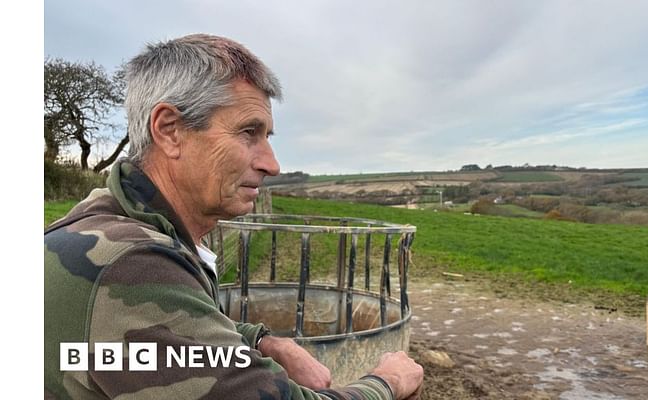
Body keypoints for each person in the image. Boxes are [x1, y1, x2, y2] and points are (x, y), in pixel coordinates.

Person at [44, 33, 423, 400]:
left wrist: (261, 341)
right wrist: (387, 382)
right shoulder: (131, 264)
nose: (271, 164)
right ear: (170, 131)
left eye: (268, 136)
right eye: (248, 132)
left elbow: (165, 335)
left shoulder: (105, 217)